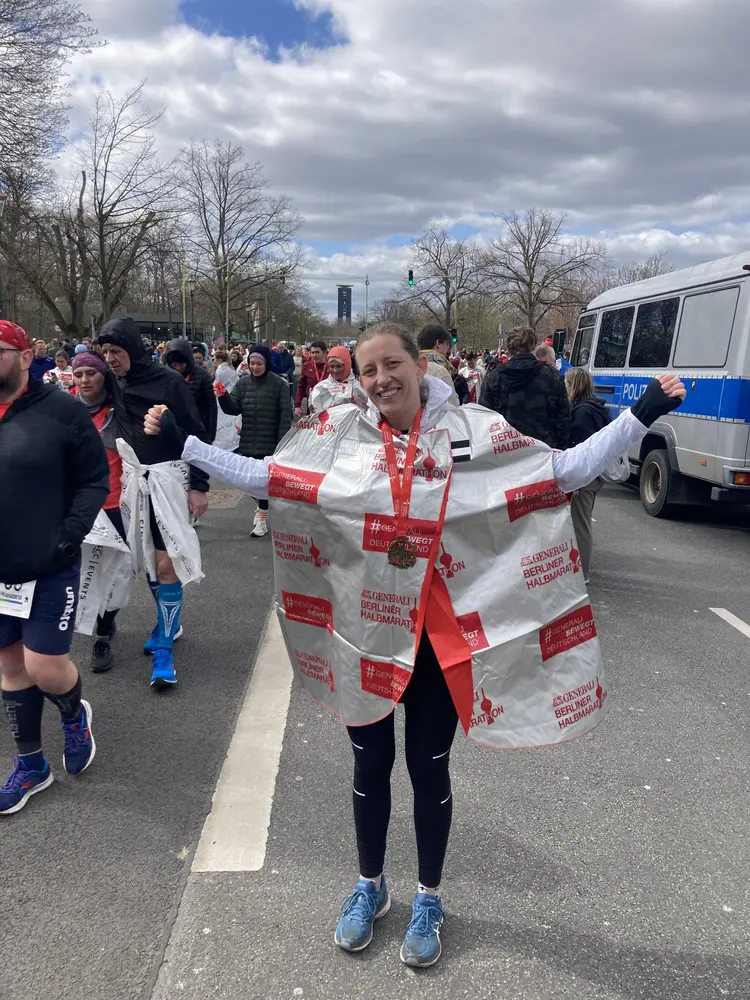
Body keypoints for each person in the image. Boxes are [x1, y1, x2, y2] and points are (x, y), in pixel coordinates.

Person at [145, 321, 686, 967]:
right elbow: (268, 478)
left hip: (439, 646)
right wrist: (190, 446)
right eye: (368, 369)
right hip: (365, 636)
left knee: (428, 770)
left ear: (418, 363)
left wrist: (641, 414)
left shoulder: (475, 432)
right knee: (369, 767)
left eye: (391, 363)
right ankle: (369, 886)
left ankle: (429, 896)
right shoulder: (341, 437)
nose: (380, 379)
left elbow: (562, 473)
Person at [0, 321, 107, 814]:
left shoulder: (62, 411)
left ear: (24, 357)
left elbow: (93, 479)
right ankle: (31, 767)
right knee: (9, 667)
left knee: (44, 667)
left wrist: (67, 535)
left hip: (47, 563)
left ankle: (72, 714)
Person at [98, 317, 209, 689]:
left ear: (132, 348)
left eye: (116, 351)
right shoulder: (113, 382)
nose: (110, 358)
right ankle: (170, 623)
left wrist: (200, 486)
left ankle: (164, 650)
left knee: (166, 563)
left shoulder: (170, 383)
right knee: (147, 561)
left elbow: (197, 433)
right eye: (106, 352)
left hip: (169, 480)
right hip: (134, 480)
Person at [71, 351, 130, 673]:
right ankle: (95, 618)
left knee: (117, 574)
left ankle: (103, 635)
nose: (83, 381)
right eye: (78, 375)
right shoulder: (65, 412)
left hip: (115, 505)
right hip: (78, 507)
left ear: (102, 376)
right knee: (81, 573)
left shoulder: (118, 411)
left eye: (90, 374)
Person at [215, 343, 292, 537]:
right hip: (249, 440)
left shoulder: (279, 384)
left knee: (262, 483)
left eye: (259, 363)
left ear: (267, 363)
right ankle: (263, 510)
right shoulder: (243, 384)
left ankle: (262, 517)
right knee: (248, 482)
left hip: (271, 443)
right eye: (252, 363)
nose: (255, 367)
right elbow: (233, 409)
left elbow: (285, 415)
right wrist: (223, 396)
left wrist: (282, 444)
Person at [480, 326, 571, 449]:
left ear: (509, 348)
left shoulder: (495, 377)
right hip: (544, 451)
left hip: (506, 451)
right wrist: (560, 449)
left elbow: (484, 418)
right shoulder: (551, 376)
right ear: (533, 346)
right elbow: (563, 419)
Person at [565, 367, 613, 584]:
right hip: (594, 476)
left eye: (567, 383)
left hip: (585, 477)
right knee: (581, 521)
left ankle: (582, 573)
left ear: (574, 385)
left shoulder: (582, 413)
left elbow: (580, 448)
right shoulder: (595, 408)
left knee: (580, 524)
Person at [165, 338, 218, 444]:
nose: (179, 368)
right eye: (175, 365)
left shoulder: (202, 375)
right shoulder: (167, 375)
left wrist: (210, 434)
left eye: (182, 364)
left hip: (197, 428)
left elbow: (211, 406)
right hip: (174, 428)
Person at [308, 346, 362, 413]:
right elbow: (315, 417)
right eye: (331, 366)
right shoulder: (320, 388)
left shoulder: (359, 388)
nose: (335, 370)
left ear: (347, 365)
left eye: (339, 366)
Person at [416, 324, 458, 405]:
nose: (447, 349)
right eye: (447, 345)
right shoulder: (440, 371)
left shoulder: (409, 367)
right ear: (438, 343)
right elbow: (452, 406)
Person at [294, 341, 328, 417]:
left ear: (325, 352)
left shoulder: (331, 366)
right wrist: (297, 406)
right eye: (312, 353)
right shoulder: (307, 366)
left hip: (328, 404)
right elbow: (301, 386)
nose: (314, 355)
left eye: (317, 352)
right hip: (312, 404)